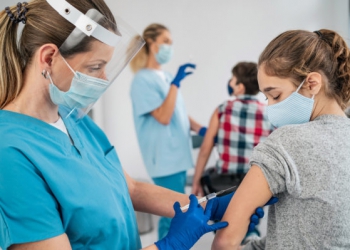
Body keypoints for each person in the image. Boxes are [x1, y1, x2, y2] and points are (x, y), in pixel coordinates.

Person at [0, 1, 272, 249]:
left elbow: (131, 189)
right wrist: (170, 244)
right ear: (48, 58)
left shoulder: (75, 120)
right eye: (96, 67)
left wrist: (205, 206)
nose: (104, 78)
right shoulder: (10, 154)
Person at [211, 29, 350, 250]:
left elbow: (225, 243)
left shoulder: (285, 142)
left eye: (275, 95)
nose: (270, 107)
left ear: (312, 83)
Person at [130, 23, 206, 240]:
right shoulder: (142, 80)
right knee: (172, 213)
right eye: (166, 42)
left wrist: (201, 128)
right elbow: (163, 117)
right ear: (152, 45)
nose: (169, 47)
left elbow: (178, 112)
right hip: (164, 157)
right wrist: (175, 83)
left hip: (177, 155)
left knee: (175, 211)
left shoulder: (165, 76)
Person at [192, 62, 274, 197]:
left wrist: (196, 182)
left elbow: (205, 149)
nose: (230, 83)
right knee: (250, 214)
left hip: (225, 182)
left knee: (209, 182)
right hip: (254, 180)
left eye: (233, 79)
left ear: (240, 87)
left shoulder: (223, 109)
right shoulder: (268, 112)